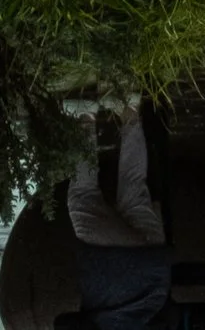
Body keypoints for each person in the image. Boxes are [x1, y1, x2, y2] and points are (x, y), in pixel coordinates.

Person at [66, 104, 170, 330]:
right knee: (82, 199)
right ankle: (84, 115)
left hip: (154, 266)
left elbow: (169, 319)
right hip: (113, 264)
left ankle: (130, 108)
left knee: (133, 184)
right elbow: (65, 323)